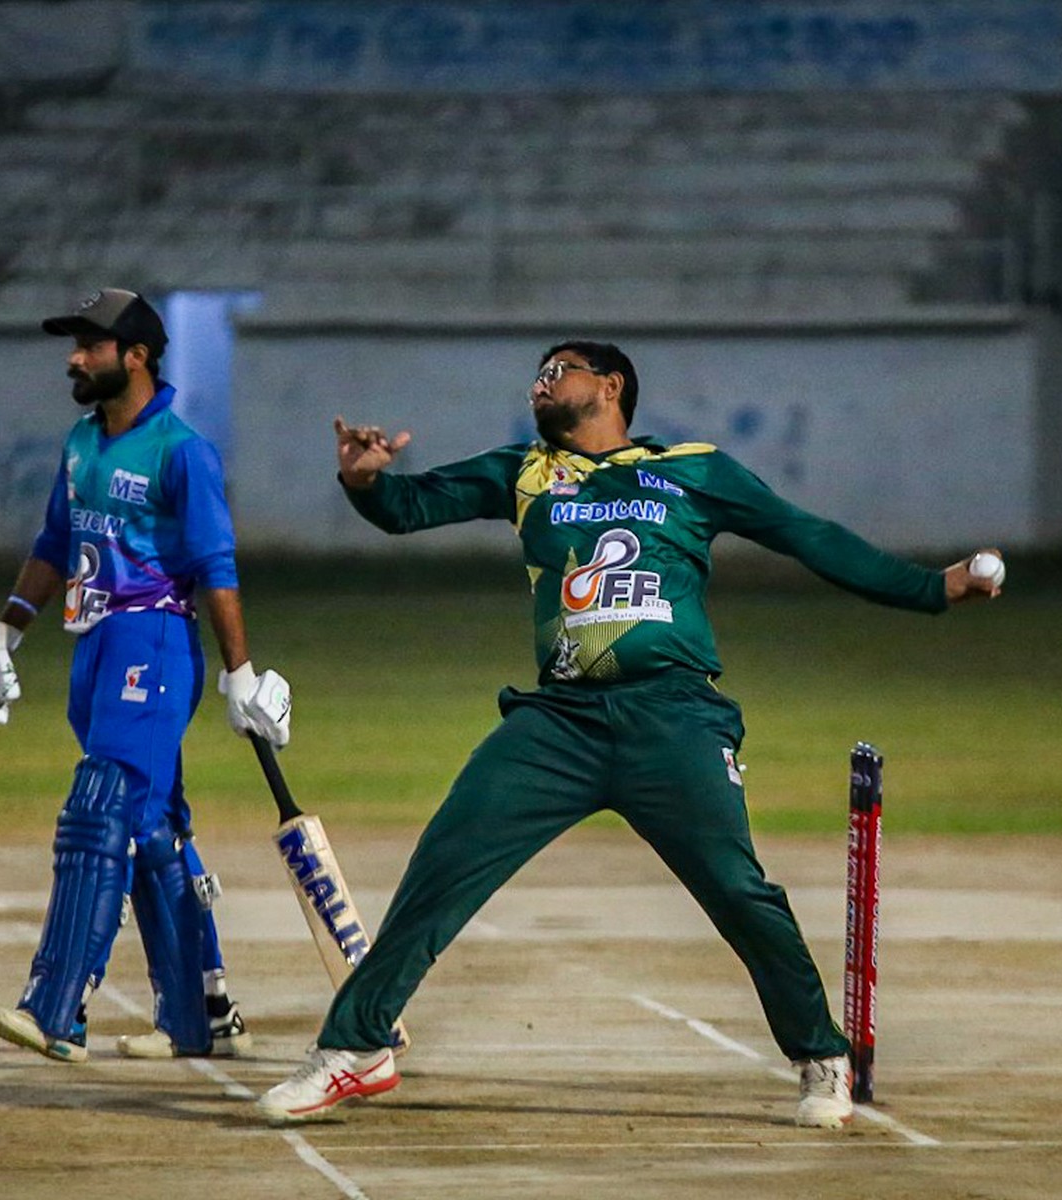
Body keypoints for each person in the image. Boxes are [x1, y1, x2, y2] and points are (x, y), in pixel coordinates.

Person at [256, 339, 1003, 1127]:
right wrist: (364, 479)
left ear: (610, 386)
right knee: (445, 863)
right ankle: (357, 1046)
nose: (541, 384)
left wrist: (931, 588)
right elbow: (408, 507)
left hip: (672, 716)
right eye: (537, 375)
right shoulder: (524, 471)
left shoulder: (692, 469)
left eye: (559, 371)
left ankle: (822, 1056)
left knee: (739, 891)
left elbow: (807, 535)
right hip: (560, 722)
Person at [0, 287, 292, 1064]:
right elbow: (55, 541)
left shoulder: (182, 450)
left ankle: (56, 1007)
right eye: (75, 345)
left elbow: (215, 565)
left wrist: (240, 673)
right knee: (149, 826)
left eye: (91, 346)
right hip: (94, 645)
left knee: (99, 806)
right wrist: (6, 631)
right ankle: (198, 1012)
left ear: (136, 356)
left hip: (155, 643)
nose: (75, 359)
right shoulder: (81, 441)